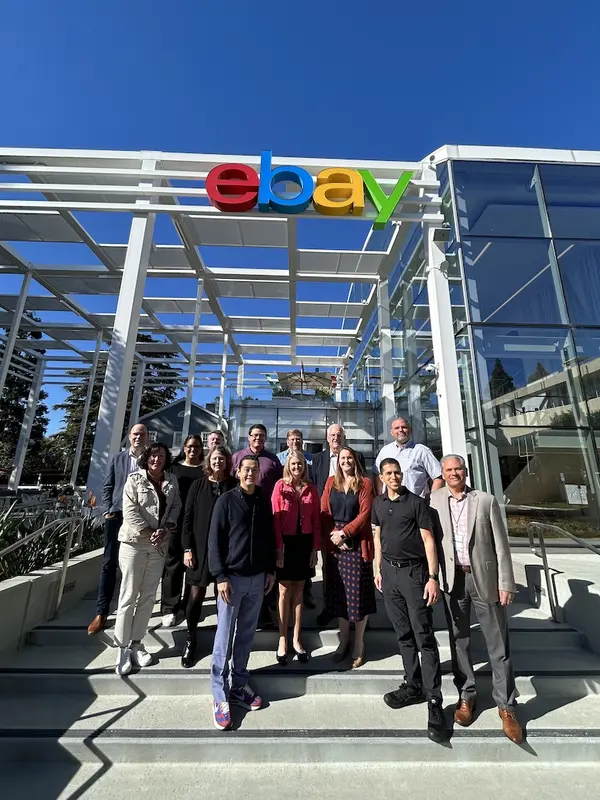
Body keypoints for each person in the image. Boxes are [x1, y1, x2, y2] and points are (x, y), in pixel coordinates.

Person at [429, 454, 523, 744]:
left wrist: (506, 582)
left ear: (466, 472)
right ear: (442, 474)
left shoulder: (485, 500)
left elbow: (501, 544)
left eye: (458, 469)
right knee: (459, 642)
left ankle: (506, 706)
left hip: (484, 580)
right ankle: (466, 695)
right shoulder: (434, 502)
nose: (454, 473)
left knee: (498, 643)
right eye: (448, 470)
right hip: (452, 581)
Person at [372, 458, 448, 744]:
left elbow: (429, 540)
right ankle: (412, 684)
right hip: (389, 574)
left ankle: (434, 700)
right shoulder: (379, 504)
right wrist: (377, 569)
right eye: (389, 473)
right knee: (403, 634)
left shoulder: (416, 503)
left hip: (415, 575)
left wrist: (432, 577)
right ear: (381, 476)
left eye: (397, 472)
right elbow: (378, 536)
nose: (394, 477)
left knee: (424, 636)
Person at [208, 454, 276, 731]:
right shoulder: (225, 501)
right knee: (224, 636)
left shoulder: (263, 501)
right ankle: (219, 694)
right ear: (237, 472)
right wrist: (220, 576)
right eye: (246, 469)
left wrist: (270, 569)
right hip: (231, 580)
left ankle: (239, 684)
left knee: (246, 635)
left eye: (255, 470)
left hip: (257, 578)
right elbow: (214, 541)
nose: (251, 474)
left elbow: (269, 538)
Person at [113, 442, 181, 675]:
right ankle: (122, 646)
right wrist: (148, 532)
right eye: (153, 455)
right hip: (134, 543)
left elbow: (176, 507)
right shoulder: (134, 480)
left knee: (149, 595)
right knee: (129, 594)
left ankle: (137, 643)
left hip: (159, 544)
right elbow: (130, 511)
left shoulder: (171, 480)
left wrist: (166, 529)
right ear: (147, 458)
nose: (157, 459)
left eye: (161, 456)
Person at [88, 423, 149, 635]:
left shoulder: (150, 461)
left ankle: (134, 609)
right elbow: (108, 485)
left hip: (141, 517)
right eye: (135, 433)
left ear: (147, 437)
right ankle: (102, 611)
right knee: (109, 562)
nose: (138, 437)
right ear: (129, 437)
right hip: (117, 514)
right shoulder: (118, 459)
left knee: (137, 563)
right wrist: (107, 510)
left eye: (142, 434)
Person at [180, 445, 237, 668]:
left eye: (222, 459)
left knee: (223, 598)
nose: (218, 462)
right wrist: (187, 548)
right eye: (214, 458)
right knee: (195, 595)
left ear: (227, 462)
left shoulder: (233, 486)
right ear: (208, 461)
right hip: (200, 550)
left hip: (227, 551)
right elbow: (187, 517)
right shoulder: (198, 485)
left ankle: (222, 644)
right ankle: (190, 638)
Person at [321, 447, 376, 669]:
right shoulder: (330, 481)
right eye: (343, 458)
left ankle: (359, 643)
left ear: (355, 461)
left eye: (349, 458)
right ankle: (344, 640)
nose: (346, 461)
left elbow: (365, 514)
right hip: (335, 545)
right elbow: (324, 509)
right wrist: (334, 534)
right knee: (340, 596)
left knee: (357, 597)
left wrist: (345, 533)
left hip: (355, 544)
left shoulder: (365, 483)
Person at [312, 424, 366, 624]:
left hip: (352, 524)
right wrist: (332, 529)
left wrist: (346, 531)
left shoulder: (356, 457)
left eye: (339, 435)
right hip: (327, 522)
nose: (336, 438)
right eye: (332, 435)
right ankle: (330, 608)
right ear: (327, 438)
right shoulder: (318, 459)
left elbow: (363, 492)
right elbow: (316, 492)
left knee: (354, 573)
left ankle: (356, 612)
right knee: (330, 569)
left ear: (344, 437)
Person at [272, 452, 321, 664]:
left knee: (299, 590)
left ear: (304, 466)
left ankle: (296, 638)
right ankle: (282, 638)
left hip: (304, 543)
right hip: (286, 543)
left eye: (300, 463)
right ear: (287, 465)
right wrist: (278, 548)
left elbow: (316, 520)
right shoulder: (279, 486)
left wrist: (315, 549)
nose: (297, 467)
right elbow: (274, 520)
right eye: (293, 463)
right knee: (284, 590)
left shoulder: (311, 488)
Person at [232, 423, 282, 628]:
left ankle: (265, 607)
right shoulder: (237, 457)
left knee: (263, 558)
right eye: (254, 435)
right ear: (249, 437)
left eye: (261, 435)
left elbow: (280, 483)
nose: (257, 439)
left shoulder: (272, 460)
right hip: (242, 512)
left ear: (265, 438)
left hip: (265, 513)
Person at [161, 434, 205, 628]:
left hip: (197, 523)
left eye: (196, 446)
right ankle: (170, 607)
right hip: (176, 522)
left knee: (193, 565)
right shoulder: (174, 468)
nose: (193, 450)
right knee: (173, 565)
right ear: (184, 448)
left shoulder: (205, 470)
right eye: (189, 446)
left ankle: (189, 604)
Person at [277, 429, 315, 608]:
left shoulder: (310, 459)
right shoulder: (279, 458)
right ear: (287, 441)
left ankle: (306, 595)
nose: (295, 441)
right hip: (286, 528)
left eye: (298, 439)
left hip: (304, 528)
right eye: (292, 439)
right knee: (284, 581)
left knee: (303, 576)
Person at [374, 417, 444, 498]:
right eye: (397, 428)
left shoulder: (422, 451)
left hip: (416, 505)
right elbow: (377, 475)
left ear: (410, 430)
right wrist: (380, 497)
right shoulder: (385, 451)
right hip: (389, 505)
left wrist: (431, 501)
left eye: (404, 427)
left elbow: (438, 477)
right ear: (392, 432)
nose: (400, 430)